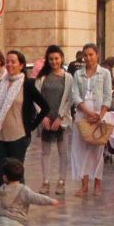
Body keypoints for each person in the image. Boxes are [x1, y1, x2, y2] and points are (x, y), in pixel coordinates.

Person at [0, 49, 47, 171]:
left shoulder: (27, 84)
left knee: (15, 173)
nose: (10, 64)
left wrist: (31, 126)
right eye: (8, 62)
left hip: (19, 137)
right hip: (0, 136)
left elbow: (45, 107)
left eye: (13, 62)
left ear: (21, 65)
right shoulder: (1, 84)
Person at [70, 43, 113, 197]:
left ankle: (98, 183)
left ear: (97, 55)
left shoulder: (105, 73)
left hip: (99, 114)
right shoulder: (78, 74)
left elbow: (108, 95)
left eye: (91, 54)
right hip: (83, 114)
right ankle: (84, 184)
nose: (88, 58)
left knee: (97, 151)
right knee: (81, 150)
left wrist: (100, 115)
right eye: (85, 55)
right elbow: (75, 95)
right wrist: (87, 111)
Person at [35, 45, 74, 195]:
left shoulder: (67, 77)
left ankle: (62, 181)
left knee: (62, 152)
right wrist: (42, 116)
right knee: (45, 152)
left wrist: (60, 117)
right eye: (51, 59)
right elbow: (36, 99)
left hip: (61, 120)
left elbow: (69, 98)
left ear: (62, 59)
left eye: (56, 58)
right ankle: (45, 181)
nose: (53, 61)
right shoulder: (42, 77)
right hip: (45, 119)